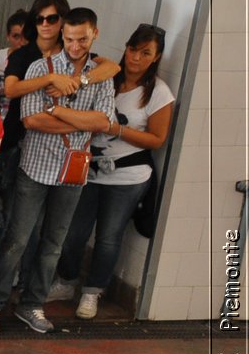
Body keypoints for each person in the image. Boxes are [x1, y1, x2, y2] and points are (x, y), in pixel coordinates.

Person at [0, 7, 116, 334]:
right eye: (69, 39)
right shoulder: (42, 68)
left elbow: (103, 122)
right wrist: (77, 124)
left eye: (82, 39)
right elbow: (31, 120)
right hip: (36, 167)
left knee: (54, 243)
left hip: (73, 172)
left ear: (94, 34)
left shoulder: (100, 74)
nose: (75, 45)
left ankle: (32, 304)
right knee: (16, 240)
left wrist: (57, 110)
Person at [46, 24, 173, 319]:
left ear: (156, 58)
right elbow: (94, 66)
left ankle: (92, 292)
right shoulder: (108, 76)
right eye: (133, 49)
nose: (137, 58)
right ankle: (66, 281)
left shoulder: (158, 93)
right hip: (89, 168)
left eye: (146, 53)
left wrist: (116, 128)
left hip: (129, 174)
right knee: (75, 232)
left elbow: (157, 139)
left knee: (108, 236)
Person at [0, 10, 31, 107]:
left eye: (26, 36)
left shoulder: (37, 64)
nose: (21, 42)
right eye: (16, 36)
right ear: (8, 36)